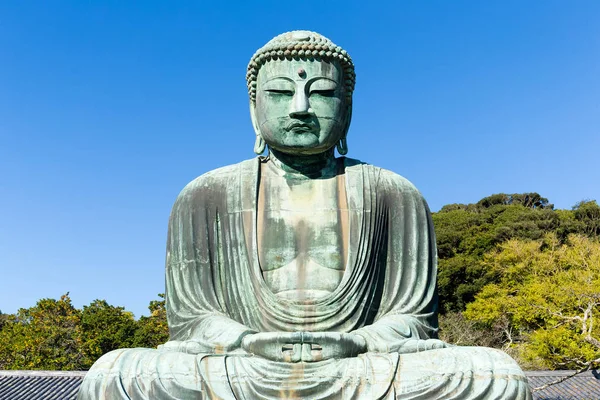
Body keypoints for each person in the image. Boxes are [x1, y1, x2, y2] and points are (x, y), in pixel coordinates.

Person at [78, 30, 532, 399]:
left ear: (347, 108)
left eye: (321, 93)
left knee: (496, 374)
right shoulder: (205, 195)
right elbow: (192, 320)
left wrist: (356, 341)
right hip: (244, 365)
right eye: (279, 93)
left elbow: (414, 319)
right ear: (253, 111)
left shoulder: (394, 194)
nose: (300, 107)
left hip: (360, 365)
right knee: (112, 376)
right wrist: (246, 341)